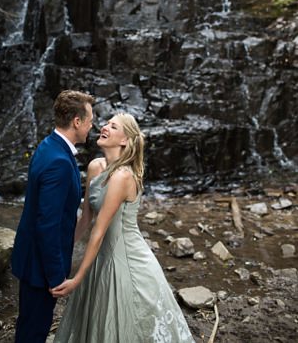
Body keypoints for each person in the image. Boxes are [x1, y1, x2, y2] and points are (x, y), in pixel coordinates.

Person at [51, 113, 194, 342]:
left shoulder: (123, 176)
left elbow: (99, 230)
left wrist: (77, 279)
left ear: (125, 140)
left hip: (125, 260)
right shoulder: (95, 167)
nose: (105, 127)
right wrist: (61, 250)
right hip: (100, 257)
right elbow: (86, 218)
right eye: (106, 123)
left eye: (113, 126)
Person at [11, 90, 95, 342]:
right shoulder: (59, 161)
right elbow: (47, 224)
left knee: (28, 326)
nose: (92, 125)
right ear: (77, 121)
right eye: (90, 119)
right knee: (33, 332)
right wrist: (57, 276)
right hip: (40, 268)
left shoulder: (49, 145)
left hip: (31, 260)